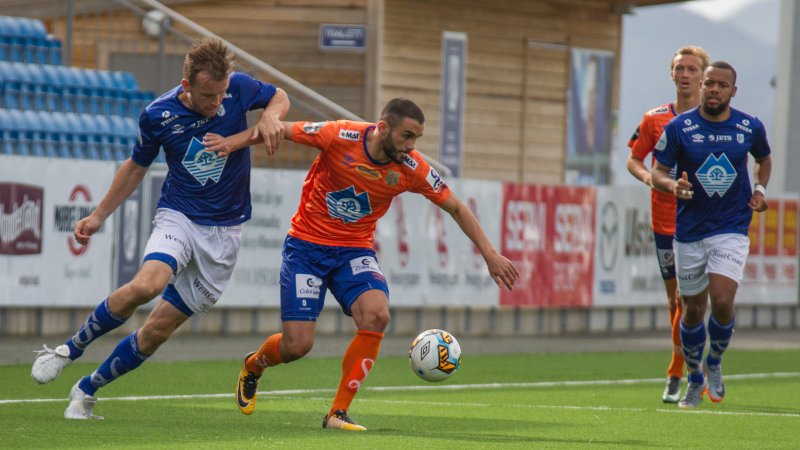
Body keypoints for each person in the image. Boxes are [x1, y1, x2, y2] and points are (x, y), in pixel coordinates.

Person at [213, 97, 519, 430]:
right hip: (306, 248)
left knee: (377, 314)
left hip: (353, 251)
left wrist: (489, 253)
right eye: (406, 136)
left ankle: (336, 413)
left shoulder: (412, 168)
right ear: (383, 128)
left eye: (417, 138)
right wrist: (234, 142)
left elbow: (456, 207)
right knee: (297, 345)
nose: (411, 145)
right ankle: (255, 365)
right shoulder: (338, 135)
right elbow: (278, 129)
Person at [30, 38, 290, 419]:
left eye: (221, 94)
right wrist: (99, 215)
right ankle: (68, 350)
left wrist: (269, 116)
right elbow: (136, 166)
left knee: (155, 332)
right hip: (179, 215)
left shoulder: (238, 86)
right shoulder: (157, 114)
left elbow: (279, 96)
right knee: (147, 285)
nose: (217, 103)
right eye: (207, 95)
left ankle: (86, 390)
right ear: (186, 86)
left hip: (225, 234)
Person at [651, 61, 771, 409]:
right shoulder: (679, 128)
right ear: (701, 87)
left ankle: (715, 360)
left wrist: (760, 189)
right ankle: (695, 376)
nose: (714, 89)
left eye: (722, 84)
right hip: (689, 232)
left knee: (721, 299)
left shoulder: (749, 126)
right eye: (709, 83)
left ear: (734, 91)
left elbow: (764, 159)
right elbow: (657, 171)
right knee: (691, 311)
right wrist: (673, 184)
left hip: (731, 228)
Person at [625, 45, 710, 403]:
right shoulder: (654, 118)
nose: (686, 74)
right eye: (680, 68)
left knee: (696, 301)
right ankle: (682, 367)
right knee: (676, 302)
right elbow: (633, 159)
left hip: (706, 222)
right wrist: (650, 178)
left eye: (692, 69)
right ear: (671, 74)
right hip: (666, 221)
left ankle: (684, 370)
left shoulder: (717, 122)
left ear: (704, 77)